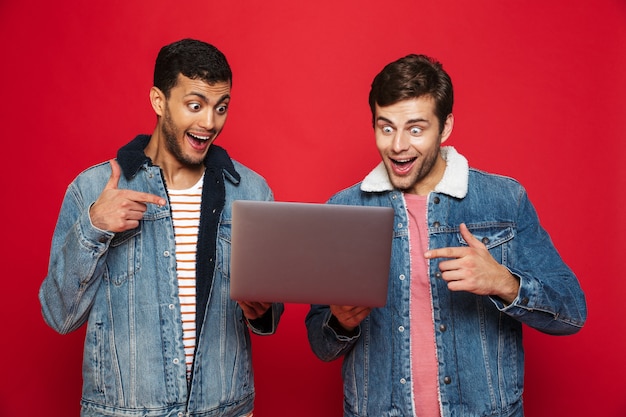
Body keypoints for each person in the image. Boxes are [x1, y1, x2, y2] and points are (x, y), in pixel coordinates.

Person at [305, 54, 587, 417]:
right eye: (386, 127)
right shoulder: (343, 210)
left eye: (416, 129)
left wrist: (505, 283)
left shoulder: (504, 201)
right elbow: (319, 343)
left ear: (446, 126)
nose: (398, 145)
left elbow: (572, 313)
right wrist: (340, 323)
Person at [39, 38, 284, 417]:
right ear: (158, 101)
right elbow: (59, 316)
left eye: (221, 108)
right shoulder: (93, 189)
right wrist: (93, 227)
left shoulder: (252, 192)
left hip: (224, 409)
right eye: (195, 105)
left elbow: (267, 314)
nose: (209, 122)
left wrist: (262, 311)